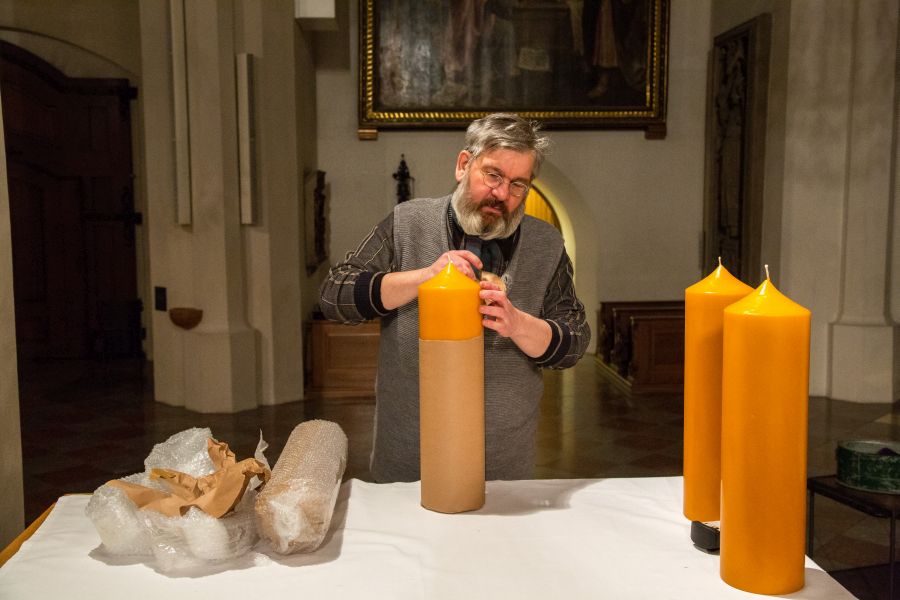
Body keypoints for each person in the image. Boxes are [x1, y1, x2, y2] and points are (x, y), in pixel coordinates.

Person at [318, 113, 590, 482]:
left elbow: (574, 342)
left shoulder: (547, 244)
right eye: (492, 175)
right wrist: (425, 277)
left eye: (517, 185)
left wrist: (517, 323)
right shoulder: (408, 222)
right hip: (410, 458)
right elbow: (334, 296)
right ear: (464, 165)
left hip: (502, 464)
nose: (502, 195)